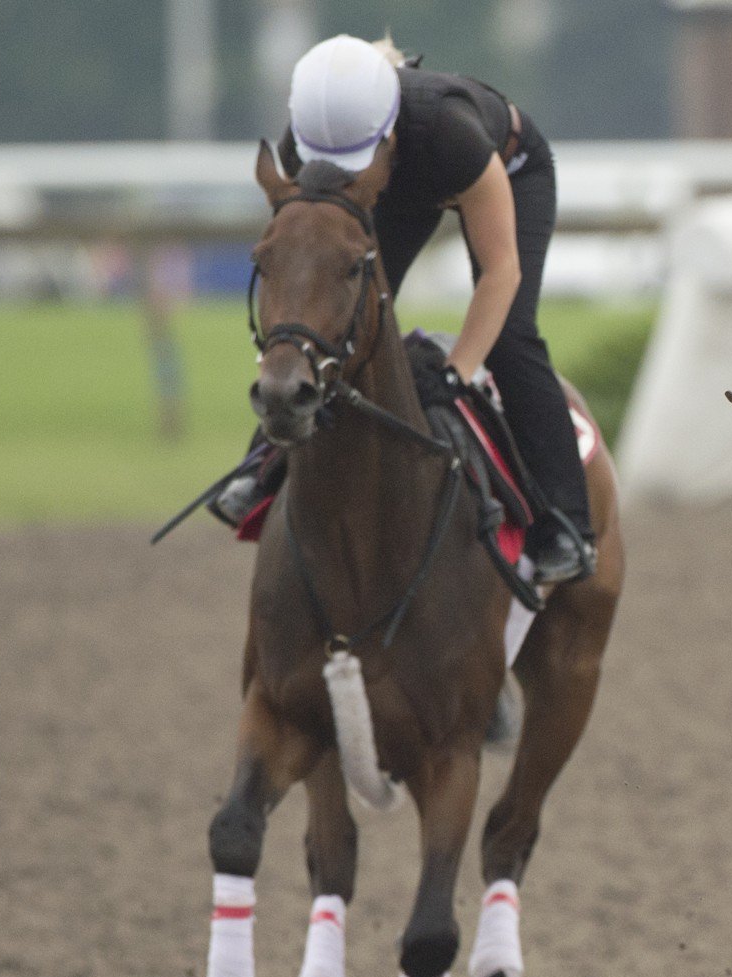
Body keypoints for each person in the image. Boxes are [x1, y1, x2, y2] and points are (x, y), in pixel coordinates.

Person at [222, 33, 595, 585]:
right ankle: (264, 463)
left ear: (388, 132)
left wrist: (456, 372)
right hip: (397, 184)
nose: (339, 169)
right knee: (344, 318)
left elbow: (502, 273)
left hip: (507, 171)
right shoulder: (303, 146)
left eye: (352, 161)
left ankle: (566, 522)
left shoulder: (451, 135)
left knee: (512, 335)